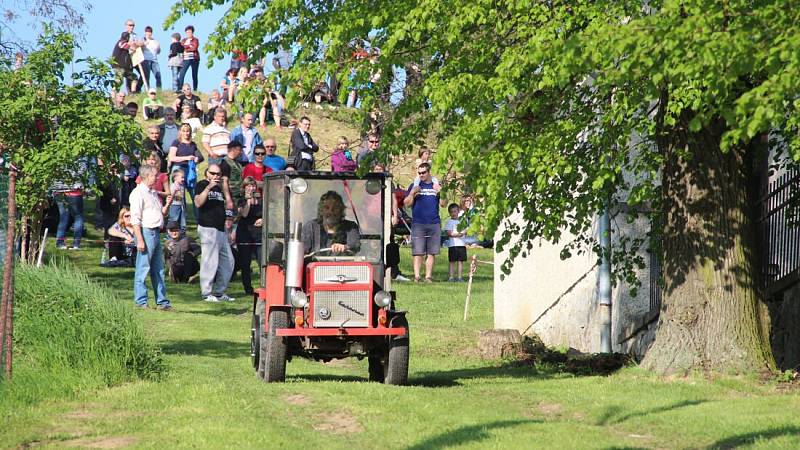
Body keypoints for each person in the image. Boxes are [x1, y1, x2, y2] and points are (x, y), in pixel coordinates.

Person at [130, 164, 173, 310]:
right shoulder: (138, 193)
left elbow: (161, 213)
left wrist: (167, 205)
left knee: (158, 269)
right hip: (146, 232)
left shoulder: (153, 193)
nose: (157, 178)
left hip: (155, 232)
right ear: (146, 176)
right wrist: (140, 239)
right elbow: (135, 219)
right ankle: (141, 301)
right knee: (143, 268)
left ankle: (162, 301)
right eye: (154, 175)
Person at [195, 164, 235, 302]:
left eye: (218, 174)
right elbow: (198, 203)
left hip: (220, 229)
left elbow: (228, 205)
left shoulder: (220, 188)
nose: (216, 176)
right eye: (213, 173)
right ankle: (206, 293)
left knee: (229, 261)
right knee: (209, 261)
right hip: (207, 227)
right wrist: (208, 188)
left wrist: (224, 187)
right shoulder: (201, 184)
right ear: (207, 173)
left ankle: (219, 292)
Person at [404, 163, 442, 282]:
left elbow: (444, 204)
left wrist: (441, 192)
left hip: (434, 222)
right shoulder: (415, 185)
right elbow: (406, 203)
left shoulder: (435, 185)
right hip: (418, 223)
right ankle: (417, 276)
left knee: (431, 252)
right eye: (419, 173)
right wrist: (412, 193)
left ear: (429, 172)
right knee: (418, 252)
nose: (421, 175)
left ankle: (428, 276)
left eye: (423, 172)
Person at [302, 191, 360, 255]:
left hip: (342, 264)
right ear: (321, 210)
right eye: (327, 208)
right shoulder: (311, 227)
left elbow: (355, 245)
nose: (331, 211)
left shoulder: (350, 227)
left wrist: (345, 247)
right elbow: (303, 251)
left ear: (341, 210)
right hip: (316, 264)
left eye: (335, 208)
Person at [168, 123, 204, 219]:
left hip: (190, 172)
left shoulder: (193, 144)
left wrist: (196, 159)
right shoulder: (176, 143)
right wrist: (186, 158)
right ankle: (179, 221)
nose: (186, 133)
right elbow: (171, 157)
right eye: (183, 131)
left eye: (188, 131)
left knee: (195, 195)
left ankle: (199, 220)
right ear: (180, 132)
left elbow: (200, 157)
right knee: (179, 196)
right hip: (179, 170)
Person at [51, 161, 87, 250]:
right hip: (74, 191)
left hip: (58, 191)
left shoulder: (56, 159)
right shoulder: (79, 160)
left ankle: (60, 242)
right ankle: (76, 244)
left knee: (63, 217)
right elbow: (83, 173)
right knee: (78, 217)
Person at [236, 177, 262, 294]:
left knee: (262, 260)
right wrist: (248, 200)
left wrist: (262, 219)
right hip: (244, 233)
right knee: (245, 263)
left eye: (253, 186)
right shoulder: (241, 200)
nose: (251, 188)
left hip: (258, 234)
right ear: (244, 188)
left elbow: (267, 213)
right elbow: (245, 214)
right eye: (248, 186)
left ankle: (265, 286)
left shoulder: (261, 200)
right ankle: (248, 288)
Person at [444, 203, 467, 282]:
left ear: (458, 211)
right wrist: (458, 234)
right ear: (449, 213)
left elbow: (465, 231)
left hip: (461, 245)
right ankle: (451, 277)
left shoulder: (463, 221)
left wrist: (461, 234)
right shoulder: (449, 222)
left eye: (455, 211)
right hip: (452, 245)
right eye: (451, 212)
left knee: (460, 261)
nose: (453, 213)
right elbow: (449, 233)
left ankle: (460, 277)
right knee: (452, 261)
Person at [220, 140, 243, 206]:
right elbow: (224, 182)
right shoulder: (225, 163)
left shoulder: (238, 163)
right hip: (231, 197)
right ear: (233, 149)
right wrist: (228, 199)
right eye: (240, 150)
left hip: (238, 197)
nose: (241, 152)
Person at [178, 25, 200, 90]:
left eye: (190, 32)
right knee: (182, 73)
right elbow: (181, 48)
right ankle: (180, 88)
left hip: (194, 58)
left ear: (192, 32)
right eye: (187, 32)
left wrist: (186, 48)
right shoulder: (184, 40)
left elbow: (194, 48)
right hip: (185, 59)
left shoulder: (195, 40)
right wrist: (189, 46)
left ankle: (195, 89)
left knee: (194, 74)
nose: (188, 33)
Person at [141, 26, 162, 90]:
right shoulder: (142, 40)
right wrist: (144, 44)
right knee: (147, 76)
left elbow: (158, 51)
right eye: (147, 32)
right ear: (145, 33)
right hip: (146, 60)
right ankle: (147, 90)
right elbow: (140, 50)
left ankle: (159, 90)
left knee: (158, 75)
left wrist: (158, 47)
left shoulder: (155, 41)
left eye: (150, 32)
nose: (148, 33)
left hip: (154, 60)